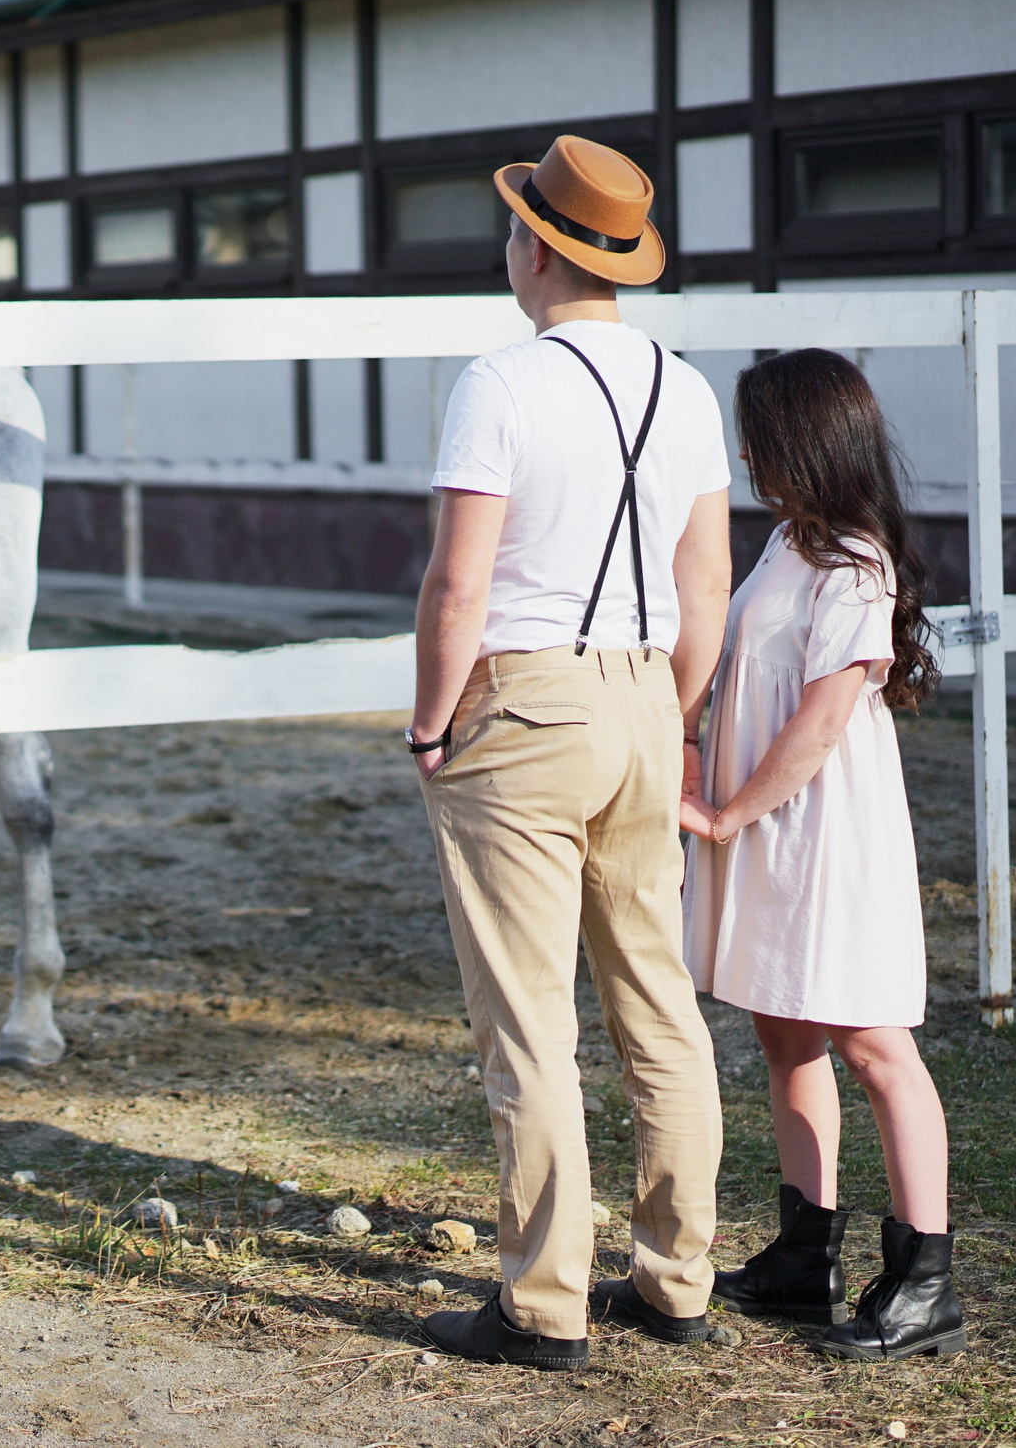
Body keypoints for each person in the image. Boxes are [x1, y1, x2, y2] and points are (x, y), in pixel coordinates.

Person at [412, 135, 735, 1370]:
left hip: (528, 703)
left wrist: (432, 718)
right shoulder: (687, 388)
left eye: (511, 230)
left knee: (532, 1020)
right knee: (659, 1002)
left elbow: (459, 584)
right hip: (649, 697)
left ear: (536, 248)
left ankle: (543, 1301)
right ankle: (675, 1276)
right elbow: (702, 584)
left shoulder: (500, 383)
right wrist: (676, 713)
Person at [682, 348, 965, 1361]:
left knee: (872, 1044)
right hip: (772, 828)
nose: (747, 452)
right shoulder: (785, 544)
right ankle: (807, 1253)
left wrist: (723, 814)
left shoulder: (853, 560)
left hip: (820, 831)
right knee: (785, 1030)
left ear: (803, 439)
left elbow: (818, 719)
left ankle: (924, 1279)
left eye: (759, 433)